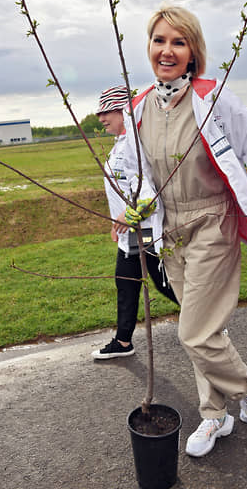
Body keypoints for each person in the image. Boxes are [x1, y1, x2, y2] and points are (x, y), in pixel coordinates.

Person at [117, 5, 247, 457]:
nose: (167, 50)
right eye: (159, 41)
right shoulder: (140, 106)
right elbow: (131, 167)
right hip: (170, 232)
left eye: (178, 42)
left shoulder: (212, 96)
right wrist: (135, 203)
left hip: (212, 225)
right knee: (201, 330)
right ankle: (214, 416)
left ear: (193, 51)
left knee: (193, 333)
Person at [91, 85, 178, 360]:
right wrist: (116, 221)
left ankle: (209, 326)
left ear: (123, 111)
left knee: (165, 285)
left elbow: (146, 188)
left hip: (148, 229)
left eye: (106, 112)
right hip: (129, 231)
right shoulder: (120, 144)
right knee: (125, 282)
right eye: (100, 113)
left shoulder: (138, 144)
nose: (101, 119)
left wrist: (131, 213)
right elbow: (121, 188)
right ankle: (124, 341)